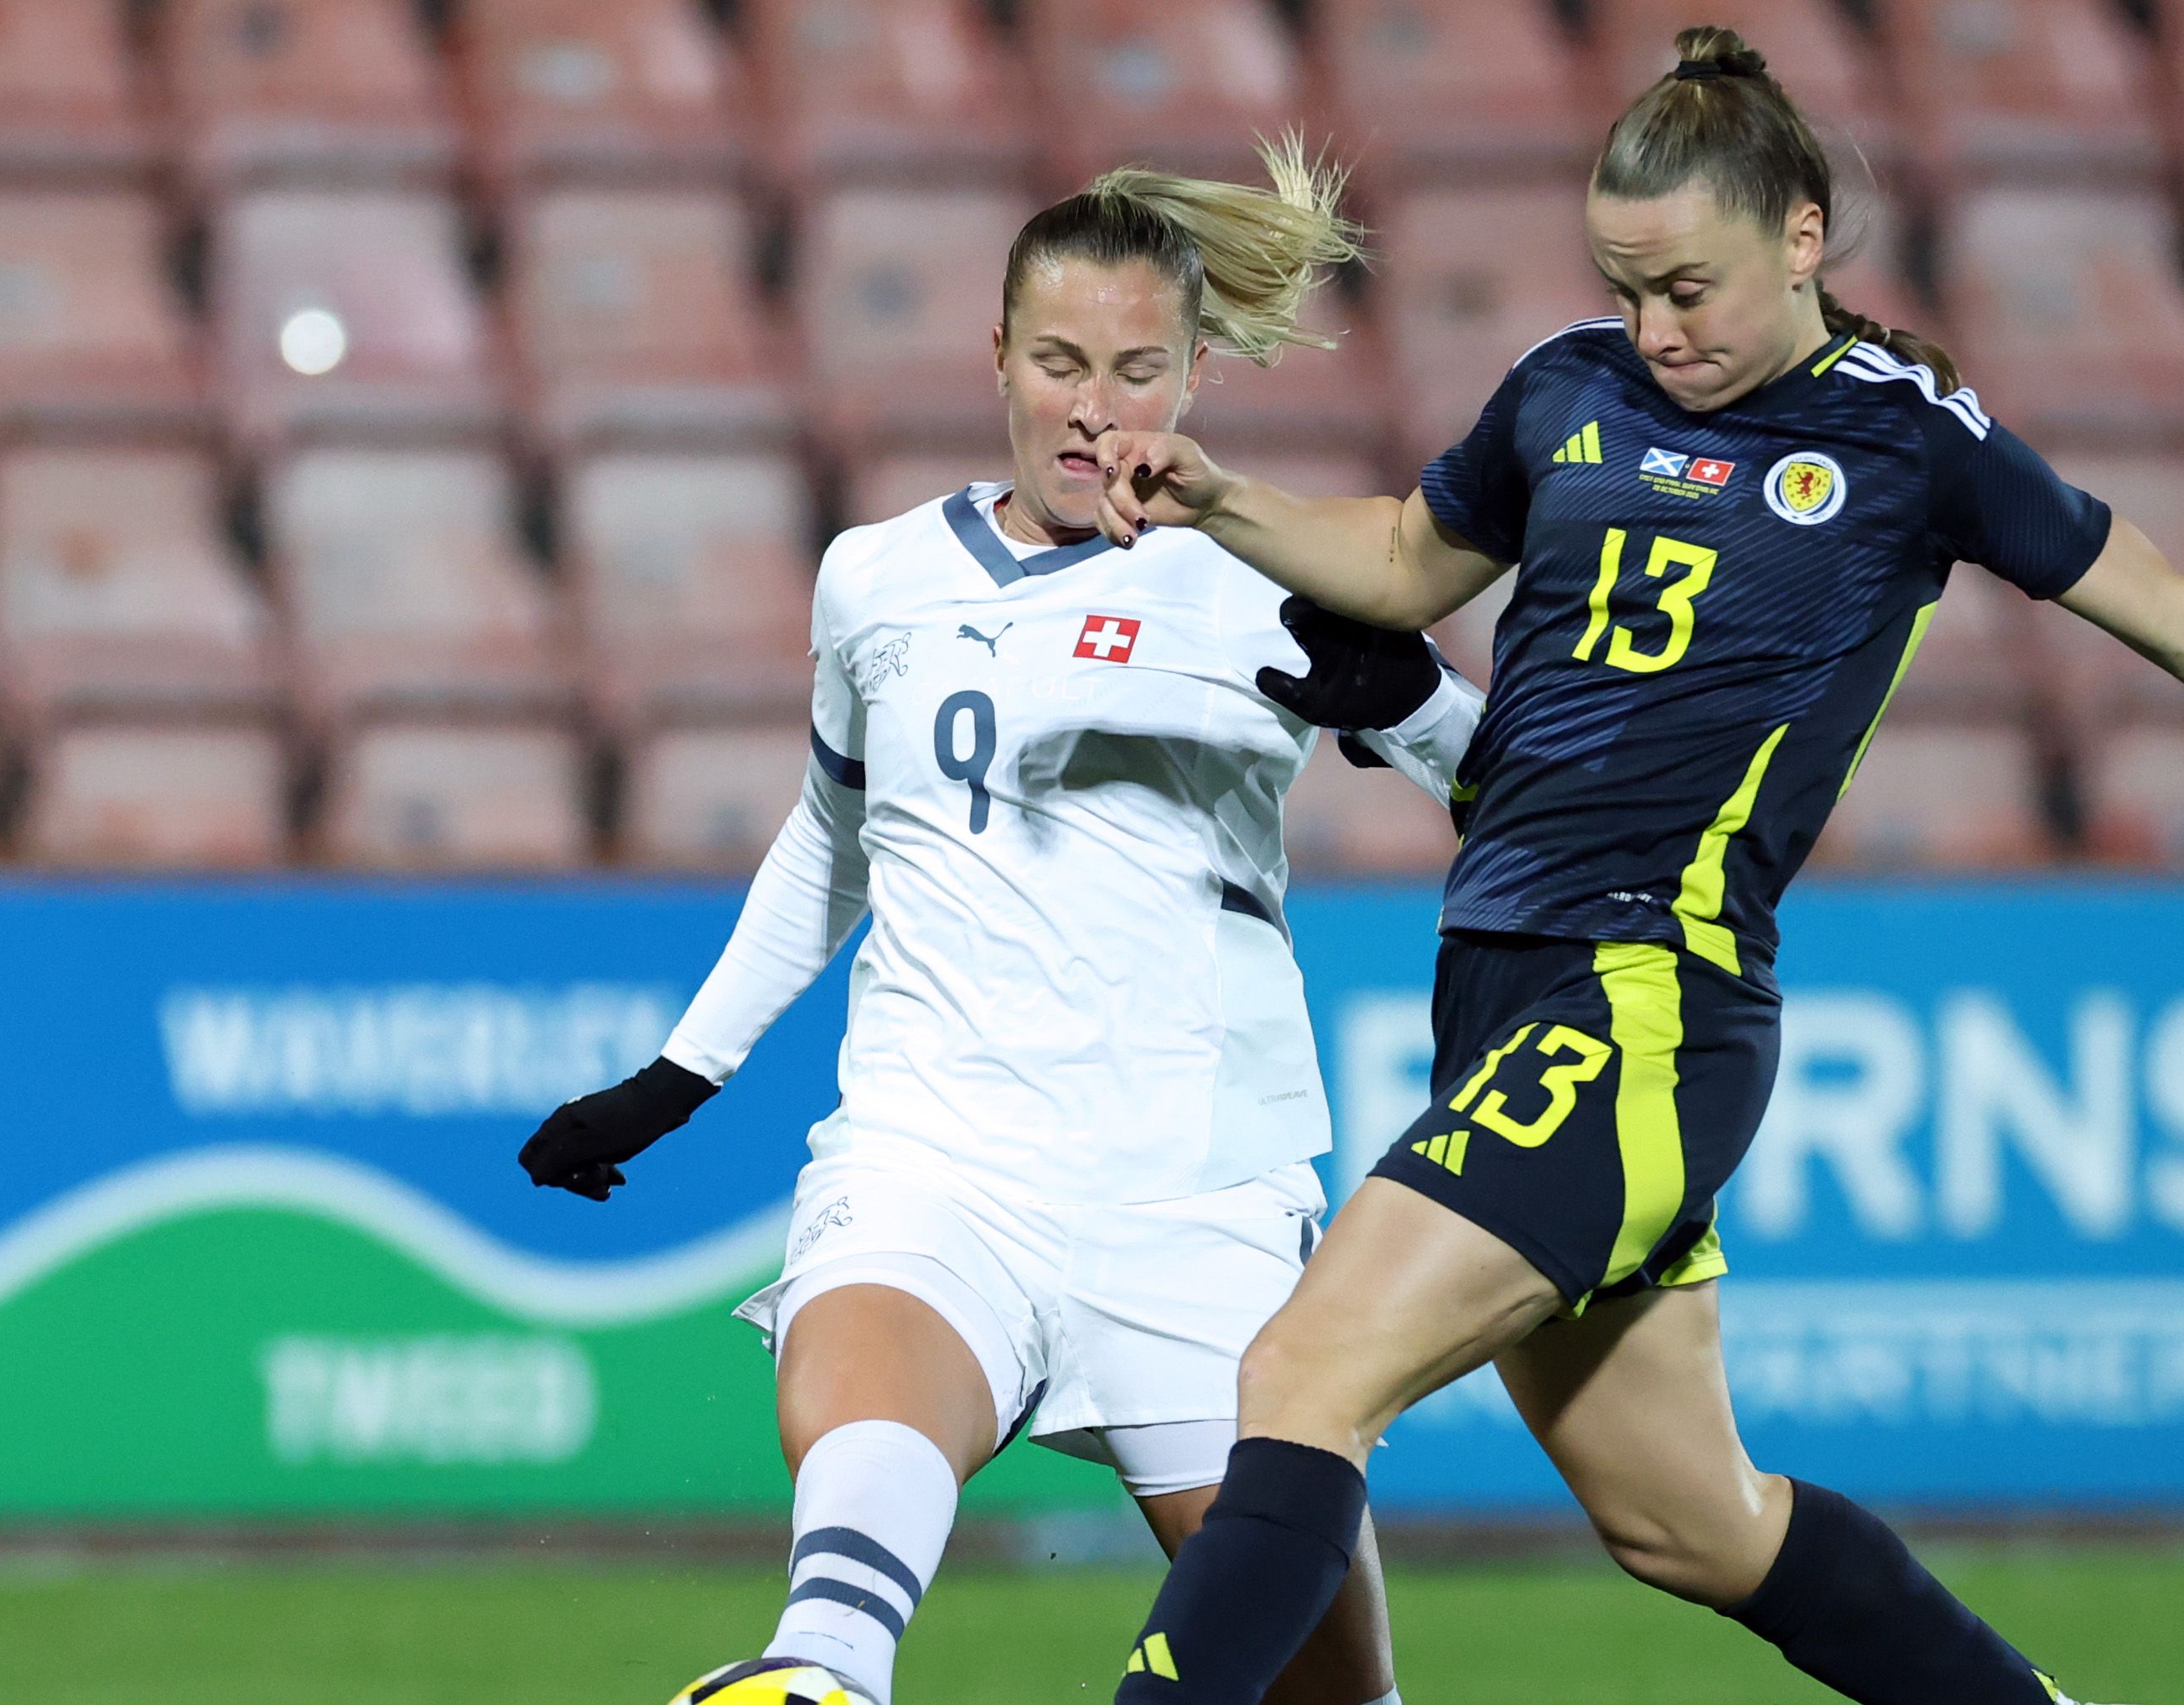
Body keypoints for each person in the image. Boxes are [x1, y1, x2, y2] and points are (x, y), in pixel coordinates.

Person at [1082, 29, 2184, 1705]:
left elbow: (2177, 612)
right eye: (1626, 285)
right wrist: (1223, 499)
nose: (1656, 327)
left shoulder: (1903, 440)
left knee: (1306, 1374)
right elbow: (1396, 557)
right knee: (1693, 1526)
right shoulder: (1562, 387)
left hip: (1643, 1002)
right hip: (1505, 989)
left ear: (1801, 234)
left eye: (1688, 287)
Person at [516, 140, 1476, 1705]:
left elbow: (1519, 789)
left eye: (1139, 369)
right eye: (1059, 362)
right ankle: (817, 1674)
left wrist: (1422, 702)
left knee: (1329, 1690)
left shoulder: (1270, 579)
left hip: (1192, 1186)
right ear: (999, 359)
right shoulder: (875, 579)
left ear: (1195, 379)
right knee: (867, 1399)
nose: (1095, 409)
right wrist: (682, 1074)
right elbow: (836, 831)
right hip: (939, 1143)